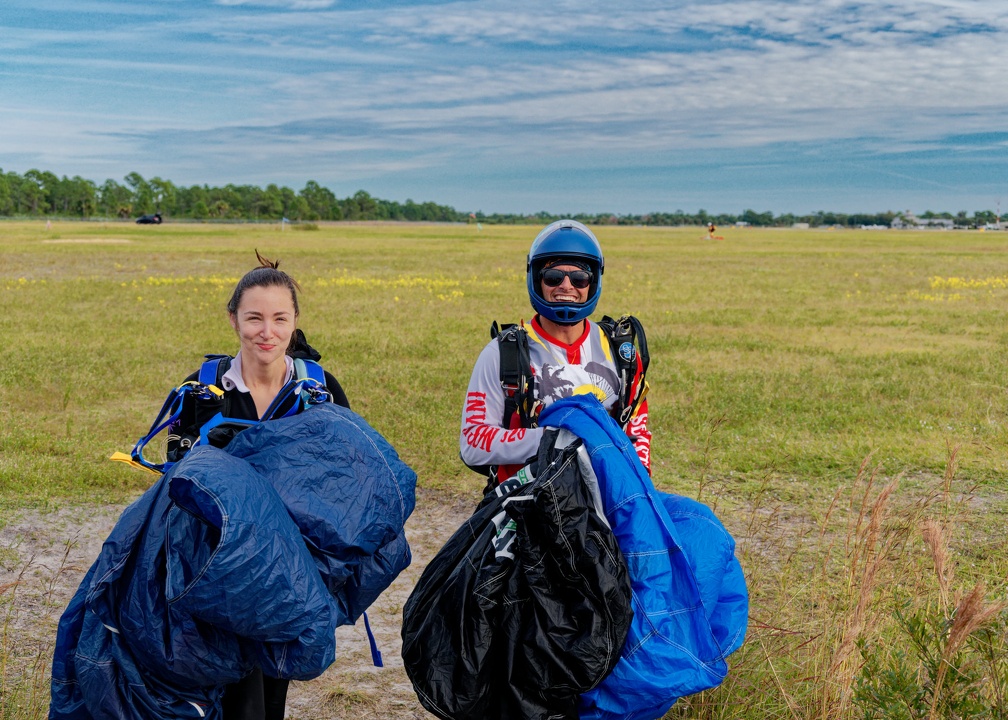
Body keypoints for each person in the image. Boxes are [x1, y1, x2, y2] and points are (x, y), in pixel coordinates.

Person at [165, 250, 349, 720]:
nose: (266, 332)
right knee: (232, 684)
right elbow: (174, 479)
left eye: (279, 319)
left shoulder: (320, 390)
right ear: (233, 319)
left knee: (272, 683)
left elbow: (349, 475)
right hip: (217, 561)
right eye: (254, 318)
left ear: (294, 322)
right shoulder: (202, 389)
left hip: (291, 563)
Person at [460, 219, 651, 484]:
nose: (566, 286)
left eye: (579, 278)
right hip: (528, 505)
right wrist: (554, 439)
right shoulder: (503, 355)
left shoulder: (622, 355)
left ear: (592, 282)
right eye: (553, 277)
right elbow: (473, 443)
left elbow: (637, 435)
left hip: (606, 502)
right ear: (536, 280)